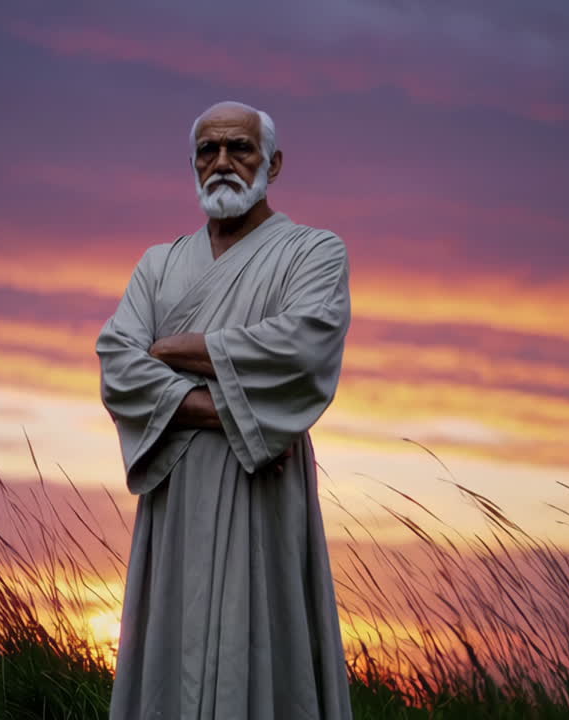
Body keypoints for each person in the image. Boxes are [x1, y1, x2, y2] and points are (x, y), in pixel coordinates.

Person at [97, 100, 354, 719]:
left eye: (239, 148)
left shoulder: (314, 253)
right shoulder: (158, 265)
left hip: (264, 492)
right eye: (207, 151)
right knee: (170, 650)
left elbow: (302, 343)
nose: (222, 163)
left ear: (273, 161)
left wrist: (181, 348)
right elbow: (117, 361)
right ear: (193, 163)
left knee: (265, 634)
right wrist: (222, 411)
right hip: (182, 495)